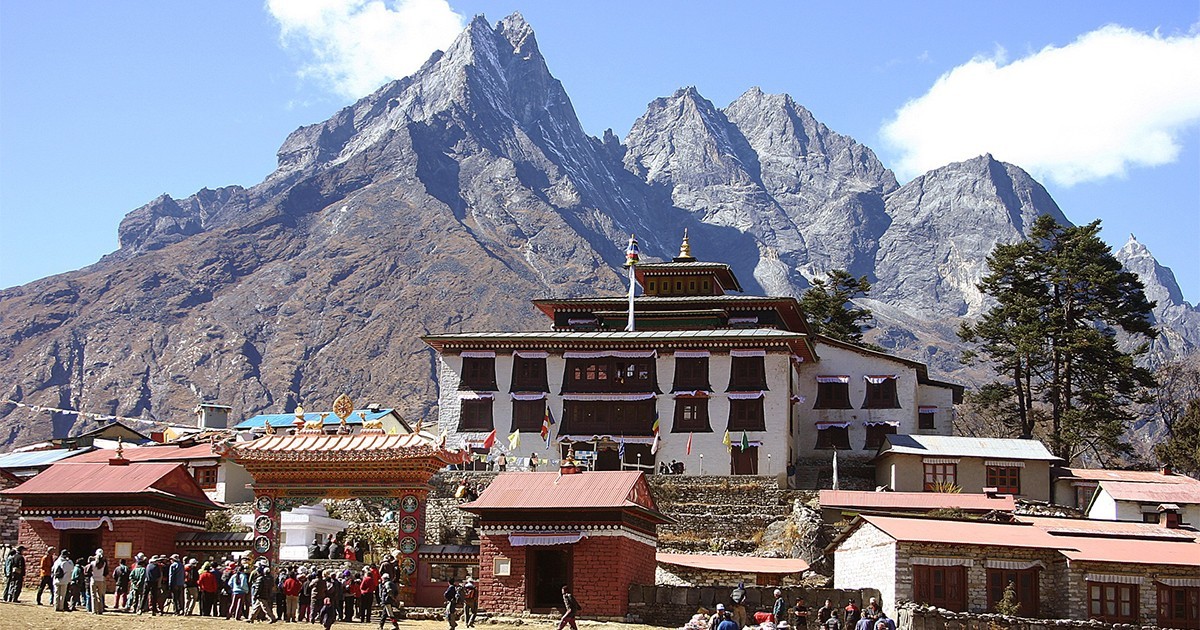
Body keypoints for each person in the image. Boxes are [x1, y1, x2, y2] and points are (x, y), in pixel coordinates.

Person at [87, 549, 108, 614]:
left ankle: (94, 610)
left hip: (94, 579)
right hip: (101, 580)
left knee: (93, 595)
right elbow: (106, 572)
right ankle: (100, 610)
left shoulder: (92, 563)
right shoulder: (104, 564)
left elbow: (87, 571)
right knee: (100, 595)